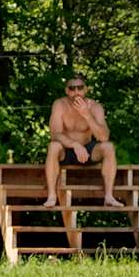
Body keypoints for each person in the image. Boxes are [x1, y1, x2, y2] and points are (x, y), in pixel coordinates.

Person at [43, 75, 123, 208]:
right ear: (67, 91)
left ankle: (109, 196)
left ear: (86, 90)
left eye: (80, 88)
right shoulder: (60, 104)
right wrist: (74, 145)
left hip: (87, 150)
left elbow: (104, 137)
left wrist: (87, 114)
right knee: (53, 146)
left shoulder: (95, 107)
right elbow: (55, 134)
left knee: (108, 147)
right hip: (65, 150)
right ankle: (52, 195)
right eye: (72, 88)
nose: (76, 92)